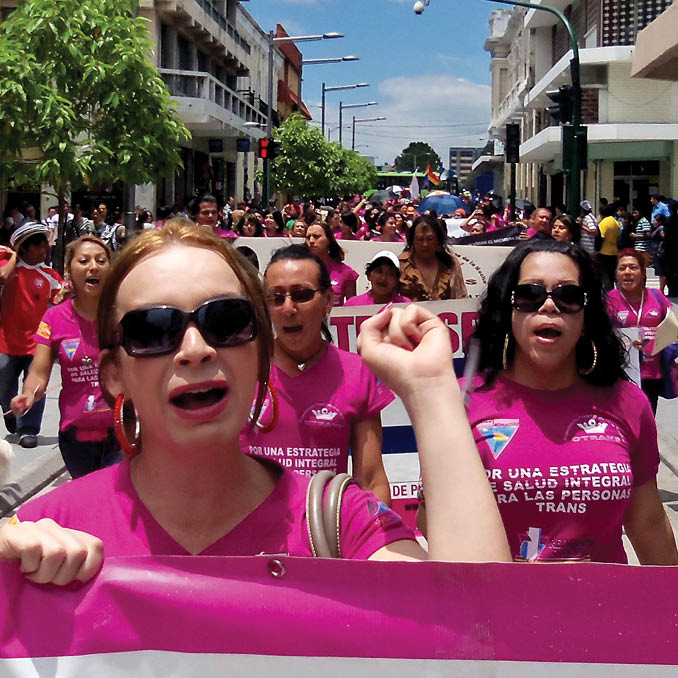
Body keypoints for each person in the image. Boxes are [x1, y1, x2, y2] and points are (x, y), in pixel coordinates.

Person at [0, 220, 511, 585]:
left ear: (260, 354)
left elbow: (487, 629)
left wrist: (432, 393)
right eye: (153, 330)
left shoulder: (340, 524)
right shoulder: (48, 529)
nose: (195, 351)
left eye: (225, 322)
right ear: (114, 374)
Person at [464, 238, 676, 564]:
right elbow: (433, 519)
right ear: (508, 309)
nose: (549, 306)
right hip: (494, 610)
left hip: (604, 609)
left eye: (569, 296)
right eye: (529, 295)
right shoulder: (461, 403)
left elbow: (647, 521)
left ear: (587, 315)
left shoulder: (628, 402)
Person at [241, 245, 393, 504]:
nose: (288, 309)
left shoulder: (357, 373)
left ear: (326, 302)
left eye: (301, 295)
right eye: (276, 298)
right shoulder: (241, 370)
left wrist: (372, 539)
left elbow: (371, 481)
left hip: (322, 534)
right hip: (253, 537)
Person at [11, 236, 120, 477]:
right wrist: (28, 395)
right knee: (87, 502)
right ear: (69, 271)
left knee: (112, 496)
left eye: (101, 261)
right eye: (83, 261)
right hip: (75, 435)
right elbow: (38, 372)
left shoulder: (125, 314)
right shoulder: (53, 319)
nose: (93, 266)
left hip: (121, 430)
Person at [0, 223, 63, 448]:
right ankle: (9, 411)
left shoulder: (50, 275)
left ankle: (29, 429)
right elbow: (2, 277)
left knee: (36, 386)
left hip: (37, 345)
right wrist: (14, 255)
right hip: (6, 342)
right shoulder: (8, 265)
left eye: (45, 244)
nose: (45, 249)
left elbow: (62, 300)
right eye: (38, 245)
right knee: (3, 383)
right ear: (25, 248)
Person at [607, 249, 673, 415]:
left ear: (643, 272)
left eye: (633, 267)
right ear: (616, 273)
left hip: (652, 375)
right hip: (621, 376)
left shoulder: (657, 297)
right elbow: (600, 336)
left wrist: (653, 344)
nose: (627, 272)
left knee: (647, 422)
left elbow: (673, 330)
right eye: (622, 268)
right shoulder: (609, 300)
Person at [398, 216, 467, 302]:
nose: (425, 244)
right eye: (420, 239)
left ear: (438, 240)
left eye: (430, 239)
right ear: (412, 241)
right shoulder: (401, 264)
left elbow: (461, 298)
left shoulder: (450, 263)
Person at [305, 223, 357, 306]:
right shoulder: (300, 270)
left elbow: (351, 307)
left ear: (328, 240)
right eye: (308, 237)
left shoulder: (346, 272)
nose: (311, 241)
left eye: (316, 236)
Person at [344, 251, 412, 308]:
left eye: (390, 274)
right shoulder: (353, 305)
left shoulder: (405, 305)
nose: (383, 278)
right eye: (379, 271)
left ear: (396, 280)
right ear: (369, 275)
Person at [598, 204, 620, 290]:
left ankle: (608, 294)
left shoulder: (604, 223)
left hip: (604, 251)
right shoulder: (616, 222)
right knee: (612, 275)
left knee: (605, 276)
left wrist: (597, 249)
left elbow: (601, 237)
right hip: (614, 251)